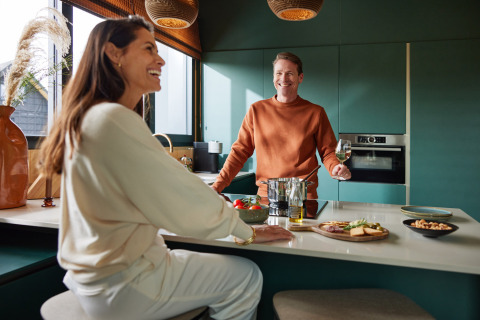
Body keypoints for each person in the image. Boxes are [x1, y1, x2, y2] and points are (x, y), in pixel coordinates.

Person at [38, 16, 293, 320]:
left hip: (91, 279)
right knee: (246, 276)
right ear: (114, 53)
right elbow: (181, 197)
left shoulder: (88, 119)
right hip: (124, 285)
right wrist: (244, 232)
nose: (161, 59)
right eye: (148, 49)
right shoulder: (113, 120)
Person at [212, 52, 351, 199]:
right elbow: (239, 152)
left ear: (300, 77)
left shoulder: (316, 112)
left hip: (302, 195)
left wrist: (335, 167)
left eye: (289, 73)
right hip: (266, 195)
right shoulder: (256, 110)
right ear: (273, 78)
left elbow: (328, 151)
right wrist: (217, 186)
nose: (283, 79)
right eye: (279, 73)